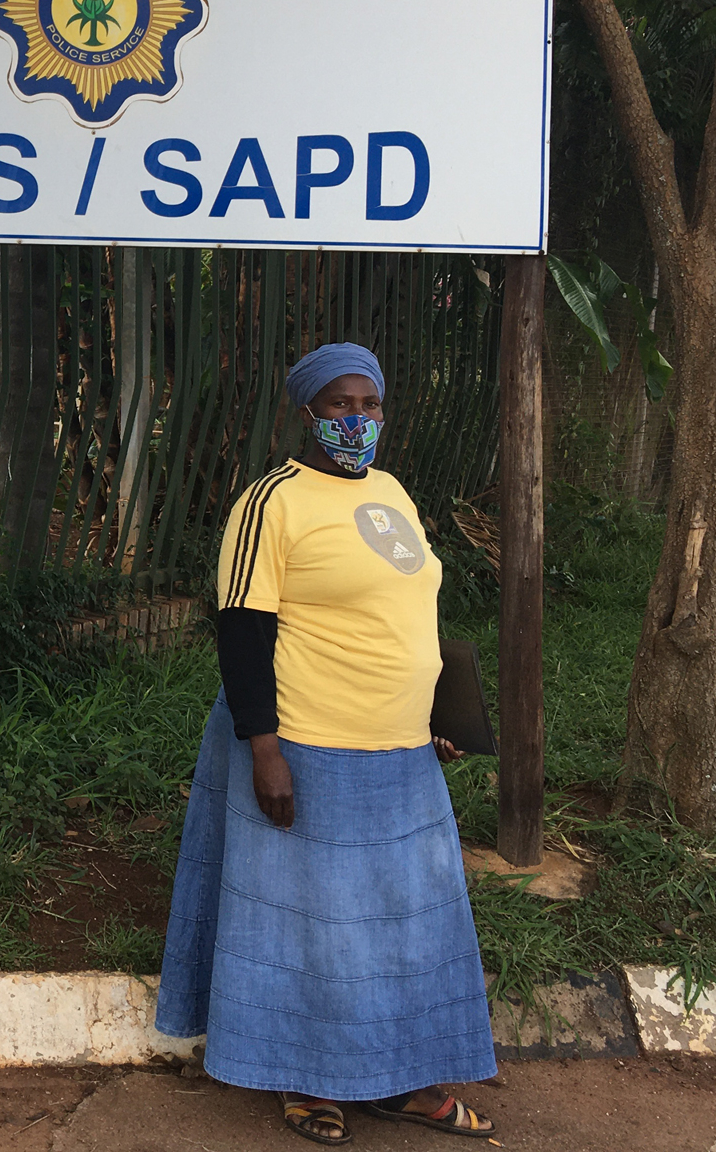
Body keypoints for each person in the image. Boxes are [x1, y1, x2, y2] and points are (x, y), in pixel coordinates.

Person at [154, 342, 498, 1145]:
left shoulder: (395, 494)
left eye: (370, 405)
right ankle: (312, 1079)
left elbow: (413, 616)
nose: (358, 420)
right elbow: (241, 632)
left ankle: (404, 1082)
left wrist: (436, 714)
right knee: (314, 929)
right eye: (340, 406)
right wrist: (263, 750)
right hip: (307, 742)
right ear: (305, 414)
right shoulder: (271, 502)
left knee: (409, 924)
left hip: (401, 750)